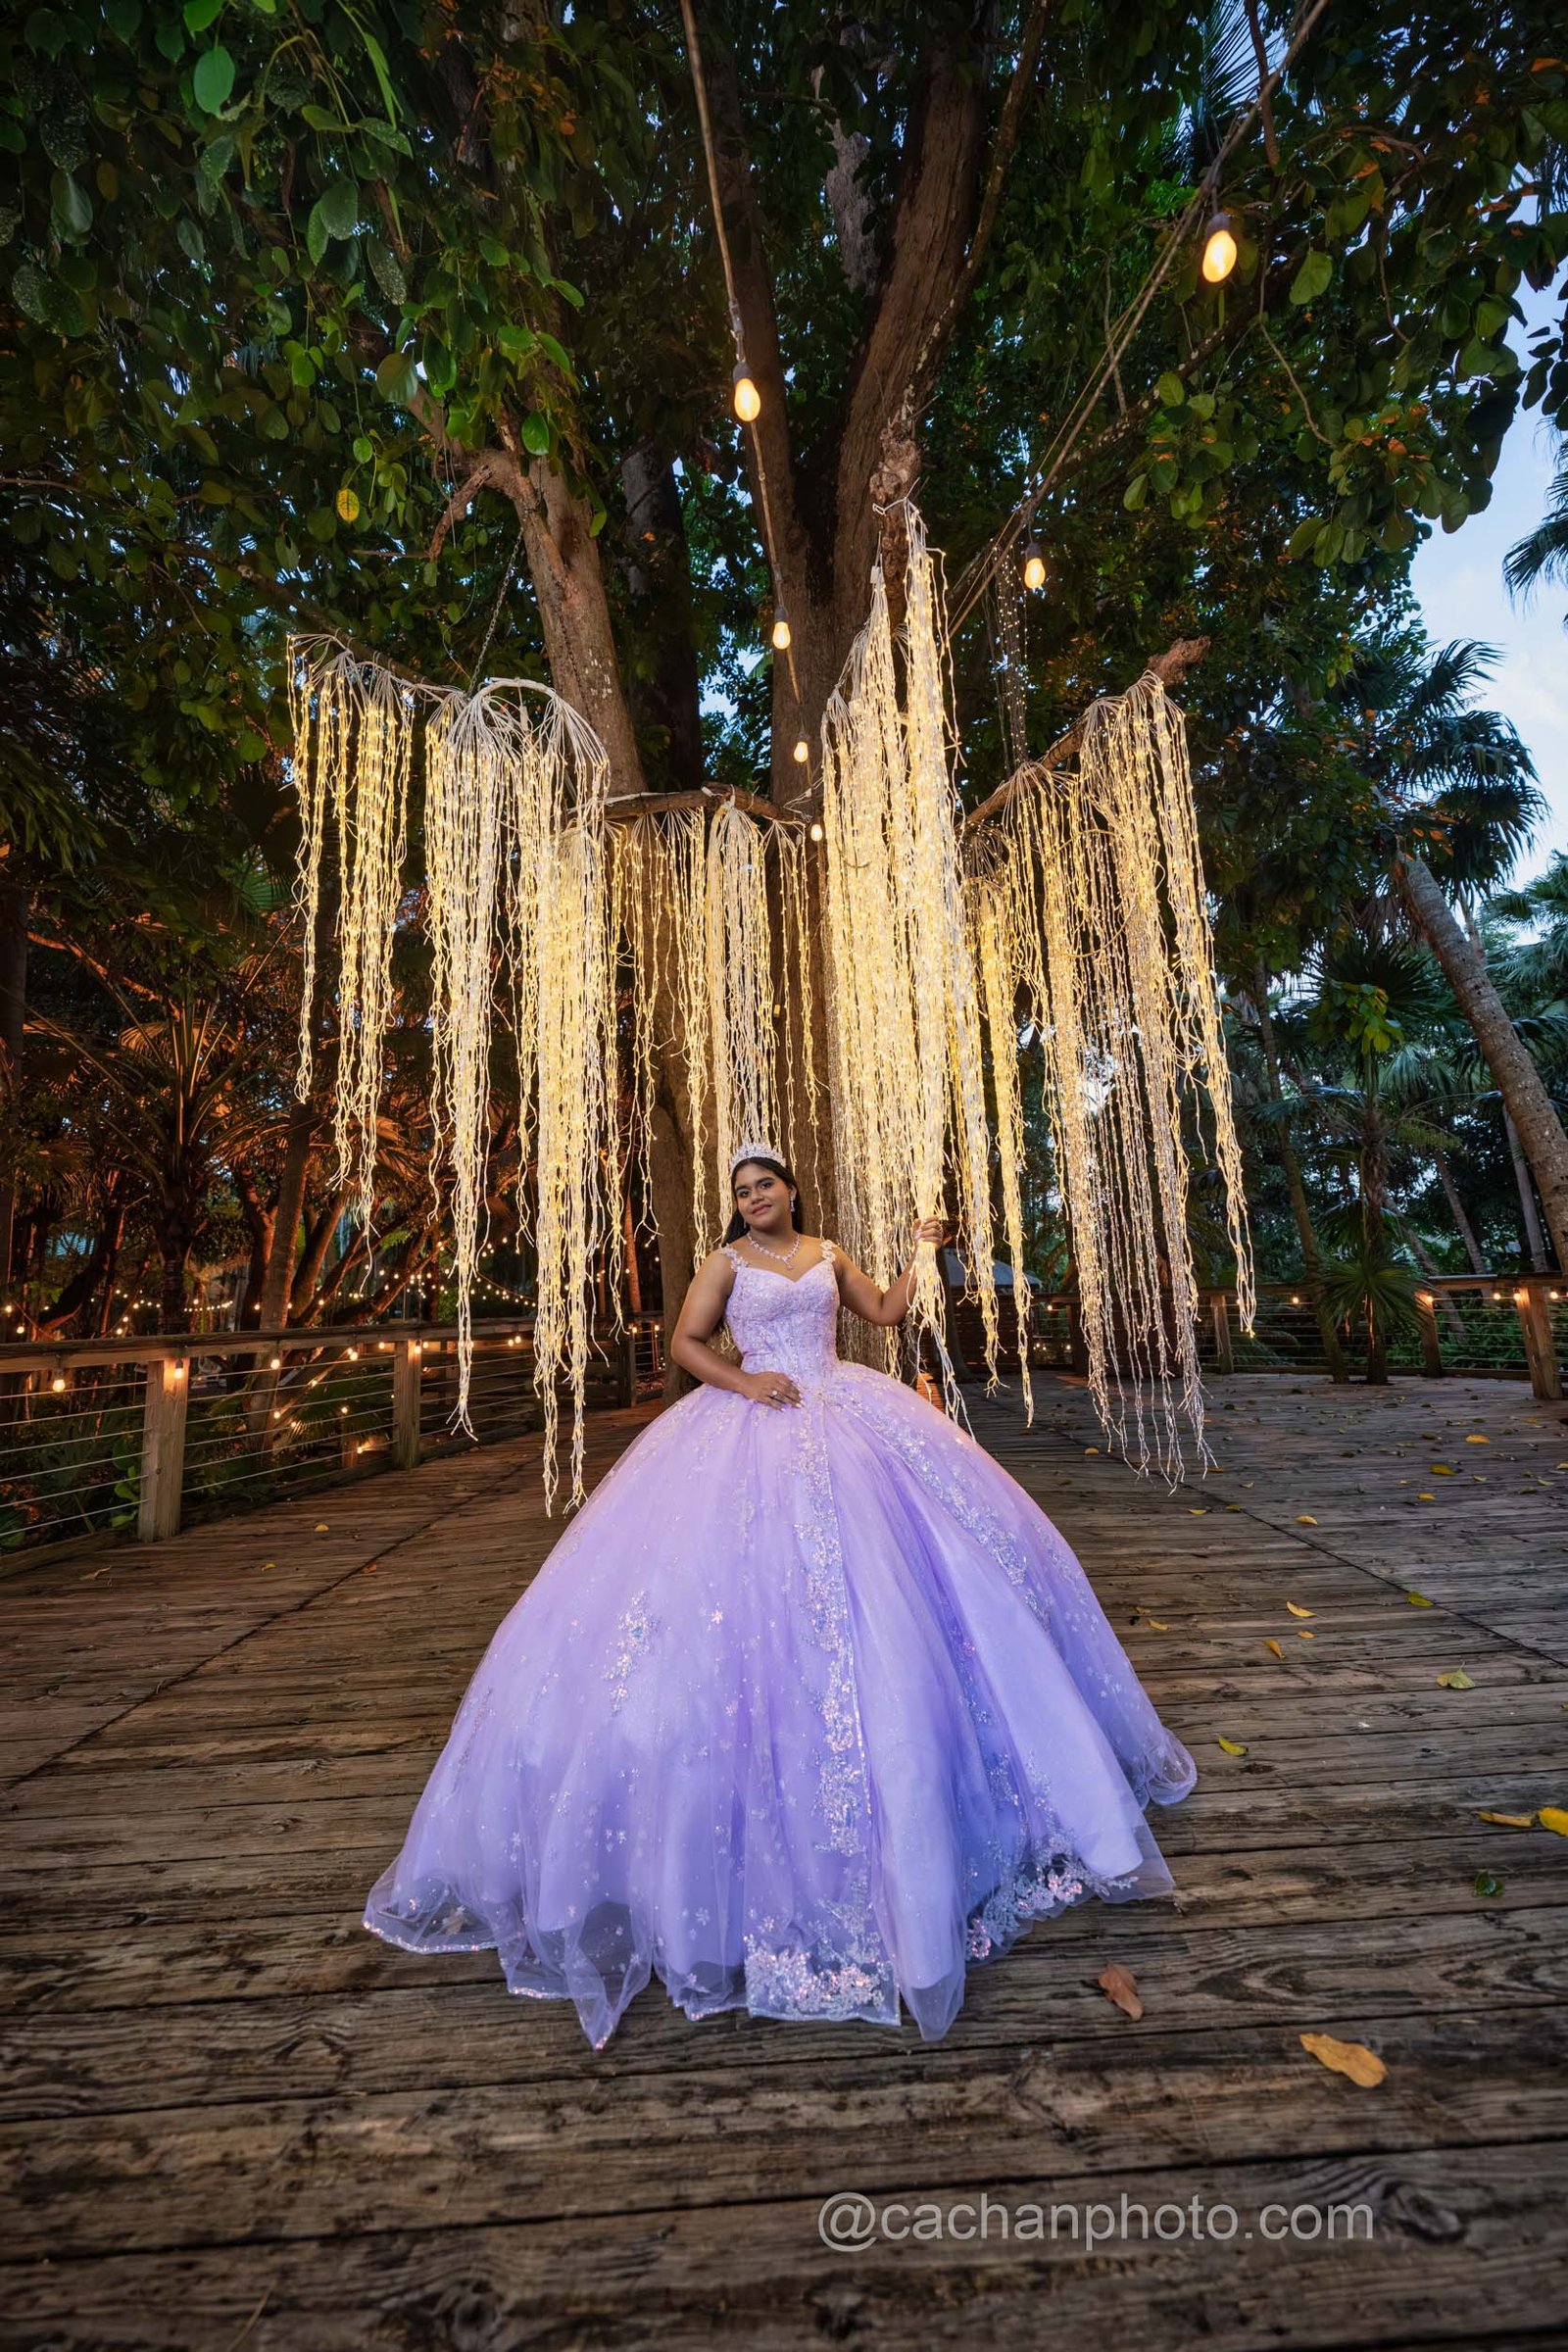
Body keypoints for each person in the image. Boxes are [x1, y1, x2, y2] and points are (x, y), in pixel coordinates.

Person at [364, 1141, 1196, 2047]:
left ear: (792, 1189)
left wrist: (922, 1256)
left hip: (848, 1414)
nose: (755, 1196)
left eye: (765, 1184)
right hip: (749, 1423)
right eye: (743, 1190)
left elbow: (884, 1312)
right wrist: (748, 1379)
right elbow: (685, 1343)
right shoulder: (724, 1263)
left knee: (914, 1589)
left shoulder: (827, 1252)